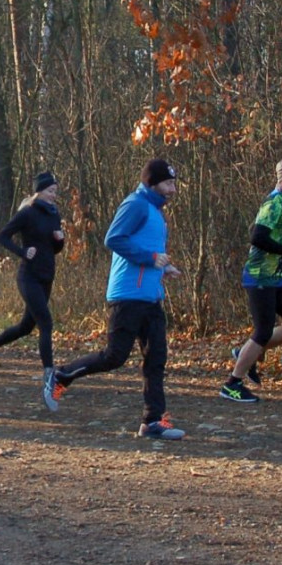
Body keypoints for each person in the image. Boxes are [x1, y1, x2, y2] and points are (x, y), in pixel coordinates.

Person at [50, 159, 185, 440]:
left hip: (151, 297)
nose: (173, 189)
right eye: (168, 183)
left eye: (173, 183)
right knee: (115, 356)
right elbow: (113, 239)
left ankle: (153, 422)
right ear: (152, 183)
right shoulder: (135, 204)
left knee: (156, 358)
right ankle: (62, 375)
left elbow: (149, 250)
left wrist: (163, 266)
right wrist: (150, 258)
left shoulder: (155, 211)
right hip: (127, 296)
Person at [219, 156, 282, 404]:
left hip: (279, 279)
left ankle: (245, 353)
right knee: (262, 331)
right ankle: (233, 384)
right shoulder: (274, 203)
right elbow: (257, 237)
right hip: (260, 277)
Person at [0, 172, 66, 411]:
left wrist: (60, 240)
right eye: (50, 191)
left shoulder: (54, 213)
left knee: (27, 326)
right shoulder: (27, 212)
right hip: (28, 277)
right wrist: (22, 252)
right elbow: (2, 236)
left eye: (56, 191)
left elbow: (55, 248)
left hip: (47, 275)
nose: (54, 195)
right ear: (39, 191)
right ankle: (49, 377)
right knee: (46, 323)